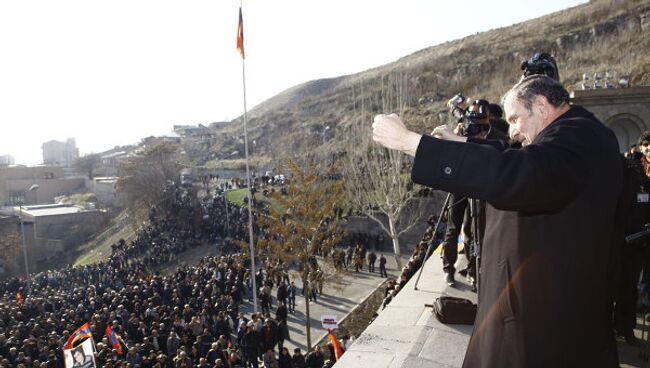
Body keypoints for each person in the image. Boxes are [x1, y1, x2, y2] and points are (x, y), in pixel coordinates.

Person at [372, 75, 622, 367]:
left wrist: (410, 142)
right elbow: (512, 156)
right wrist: (463, 143)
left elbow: (517, 173)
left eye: (515, 119)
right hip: (542, 310)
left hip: (547, 327)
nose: (513, 131)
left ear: (541, 105)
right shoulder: (575, 135)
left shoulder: (579, 138)